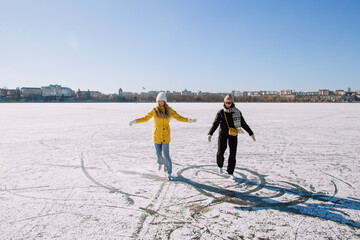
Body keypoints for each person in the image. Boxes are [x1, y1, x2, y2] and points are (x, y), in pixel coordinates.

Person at [129, 92, 197, 180]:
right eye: (159, 101)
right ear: (157, 101)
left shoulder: (169, 110)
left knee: (166, 155)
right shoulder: (154, 110)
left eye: (162, 101)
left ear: (165, 101)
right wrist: (134, 121)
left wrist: (189, 120)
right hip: (156, 135)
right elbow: (145, 118)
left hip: (165, 135)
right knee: (158, 153)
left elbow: (178, 117)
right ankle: (160, 162)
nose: (161, 103)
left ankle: (168, 172)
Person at [207, 94, 255, 180]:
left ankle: (230, 172)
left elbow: (243, 124)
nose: (228, 104)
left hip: (233, 135)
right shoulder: (221, 112)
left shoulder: (237, 112)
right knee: (220, 152)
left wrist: (251, 133)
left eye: (229, 102)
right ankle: (220, 165)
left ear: (232, 102)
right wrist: (210, 133)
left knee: (233, 154)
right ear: (224, 102)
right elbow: (215, 124)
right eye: (226, 102)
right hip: (223, 134)